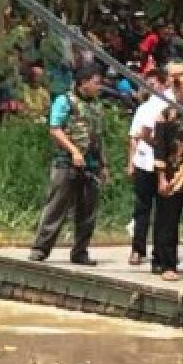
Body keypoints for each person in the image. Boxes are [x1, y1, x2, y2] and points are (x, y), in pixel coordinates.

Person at [29, 66, 109, 265]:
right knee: (56, 207)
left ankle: (80, 252)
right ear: (83, 83)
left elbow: (99, 137)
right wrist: (73, 151)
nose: (99, 86)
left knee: (88, 211)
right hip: (66, 163)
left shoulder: (96, 106)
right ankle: (40, 248)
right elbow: (55, 129)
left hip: (91, 165)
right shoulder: (64, 101)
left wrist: (104, 164)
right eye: (95, 82)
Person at [153, 73, 183, 282]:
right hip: (173, 177)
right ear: (176, 90)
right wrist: (161, 177)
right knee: (168, 223)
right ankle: (168, 265)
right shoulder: (166, 114)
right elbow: (160, 148)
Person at [127, 70, 168, 267]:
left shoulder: (170, 105)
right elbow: (135, 136)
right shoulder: (144, 107)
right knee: (142, 207)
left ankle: (160, 251)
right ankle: (137, 248)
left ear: (163, 83)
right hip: (144, 162)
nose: (151, 86)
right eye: (148, 83)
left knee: (163, 211)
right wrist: (131, 161)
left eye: (154, 83)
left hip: (164, 163)